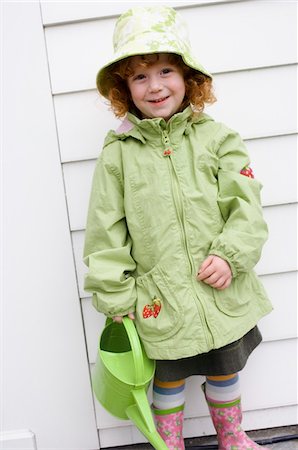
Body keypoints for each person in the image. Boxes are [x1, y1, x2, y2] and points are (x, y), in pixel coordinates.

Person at [83, 6, 273, 450]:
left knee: (226, 368)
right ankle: (168, 446)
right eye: (139, 76)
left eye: (165, 70)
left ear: (188, 77)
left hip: (219, 288)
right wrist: (115, 294)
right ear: (124, 89)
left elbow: (246, 206)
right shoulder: (118, 155)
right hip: (159, 297)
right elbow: (105, 229)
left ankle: (233, 438)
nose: (155, 85)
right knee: (167, 381)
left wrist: (230, 254)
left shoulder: (218, 139)